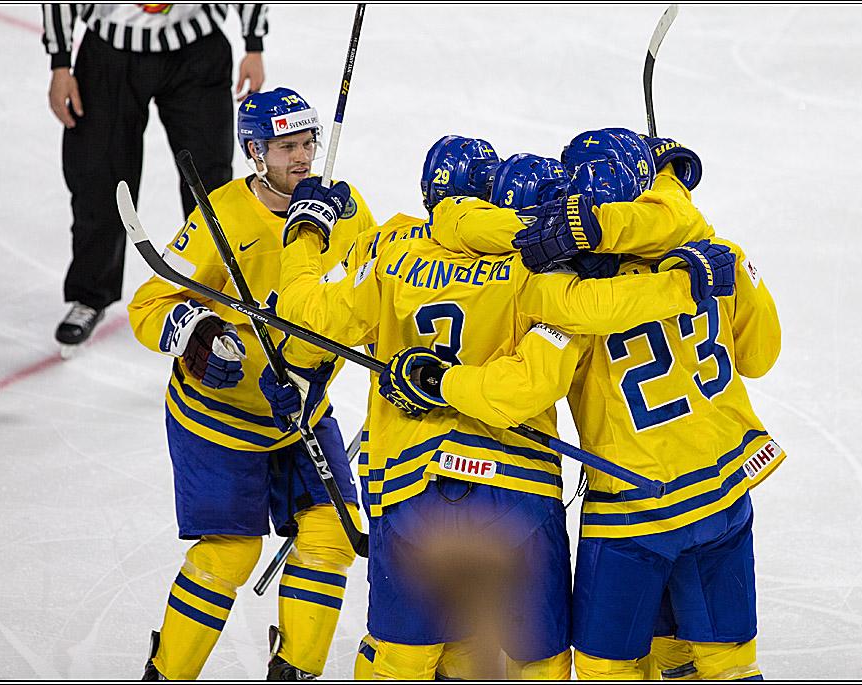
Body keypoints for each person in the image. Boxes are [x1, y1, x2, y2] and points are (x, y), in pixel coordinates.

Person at [263, 135, 727, 679]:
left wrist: (308, 233)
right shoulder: (539, 259)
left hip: (409, 488)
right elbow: (583, 323)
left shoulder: (390, 250)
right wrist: (687, 280)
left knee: (402, 658)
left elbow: (298, 318)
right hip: (517, 492)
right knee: (540, 662)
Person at [389, 132, 785, 680]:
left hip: (634, 508)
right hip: (725, 496)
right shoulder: (716, 255)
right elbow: (762, 355)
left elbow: (517, 392)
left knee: (607, 669)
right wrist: (737, 273)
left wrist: (444, 383)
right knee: (726, 662)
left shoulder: (561, 297)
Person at [127, 87, 376, 680]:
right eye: (286, 146)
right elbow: (150, 302)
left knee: (332, 536)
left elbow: (375, 289)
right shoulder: (223, 215)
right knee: (229, 553)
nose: (302, 158)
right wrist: (198, 333)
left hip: (302, 418)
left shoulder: (345, 209)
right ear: (255, 153)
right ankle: (167, 674)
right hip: (218, 421)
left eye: (307, 143)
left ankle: (294, 671)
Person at [42, 3, 268, 357]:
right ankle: (91, 295)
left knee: (211, 186)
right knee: (99, 180)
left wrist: (253, 44)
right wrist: (60, 62)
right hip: (108, 55)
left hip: (198, 49)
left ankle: (214, 296)